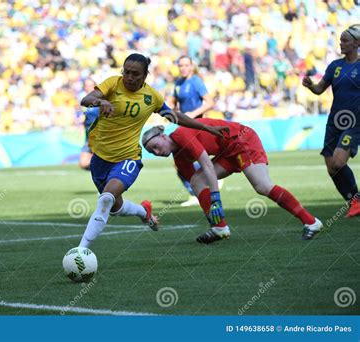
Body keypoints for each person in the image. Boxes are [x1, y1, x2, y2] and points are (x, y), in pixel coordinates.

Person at [78, 53, 228, 248]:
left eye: (135, 74)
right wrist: (101, 101)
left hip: (128, 158)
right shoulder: (113, 84)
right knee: (115, 207)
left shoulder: (152, 97)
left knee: (106, 199)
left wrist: (206, 127)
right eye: (126, 72)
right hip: (100, 158)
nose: (130, 77)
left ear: (145, 75)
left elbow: (174, 116)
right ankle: (144, 212)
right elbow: (86, 99)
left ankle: (81, 251)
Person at [142, 118, 323, 242]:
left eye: (156, 146)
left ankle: (312, 222)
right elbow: (199, 187)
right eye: (152, 152)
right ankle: (220, 228)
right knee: (197, 181)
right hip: (227, 151)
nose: (158, 152)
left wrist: (216, 199)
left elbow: (207, 165)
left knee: (262, 186)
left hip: (242, 140)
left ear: (164, 136)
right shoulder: (179, 159)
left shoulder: (181, 135)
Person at [302, 24, 360, 217]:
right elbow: (320, 89)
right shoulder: (335, 66)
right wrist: (311, 86)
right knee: (331, 168)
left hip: (355, 122)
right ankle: (353, 202)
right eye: (340, 40)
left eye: (345, 40)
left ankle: (357, 201)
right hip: (335, 121)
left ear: (357, 43)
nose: (341, 43)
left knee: (337, 161)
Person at [170, 55, 218, 207]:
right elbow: (174, 101)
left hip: (196, 125)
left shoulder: (196, 81)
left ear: (191, 66)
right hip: (184, 126)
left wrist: (193, 113)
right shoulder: (178, 83)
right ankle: (201, 187)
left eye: (186, 65)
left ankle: (199, 190)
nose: (183, 68)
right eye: (181, 65)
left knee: (186, 160)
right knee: (182, 162)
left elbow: (210, 102)